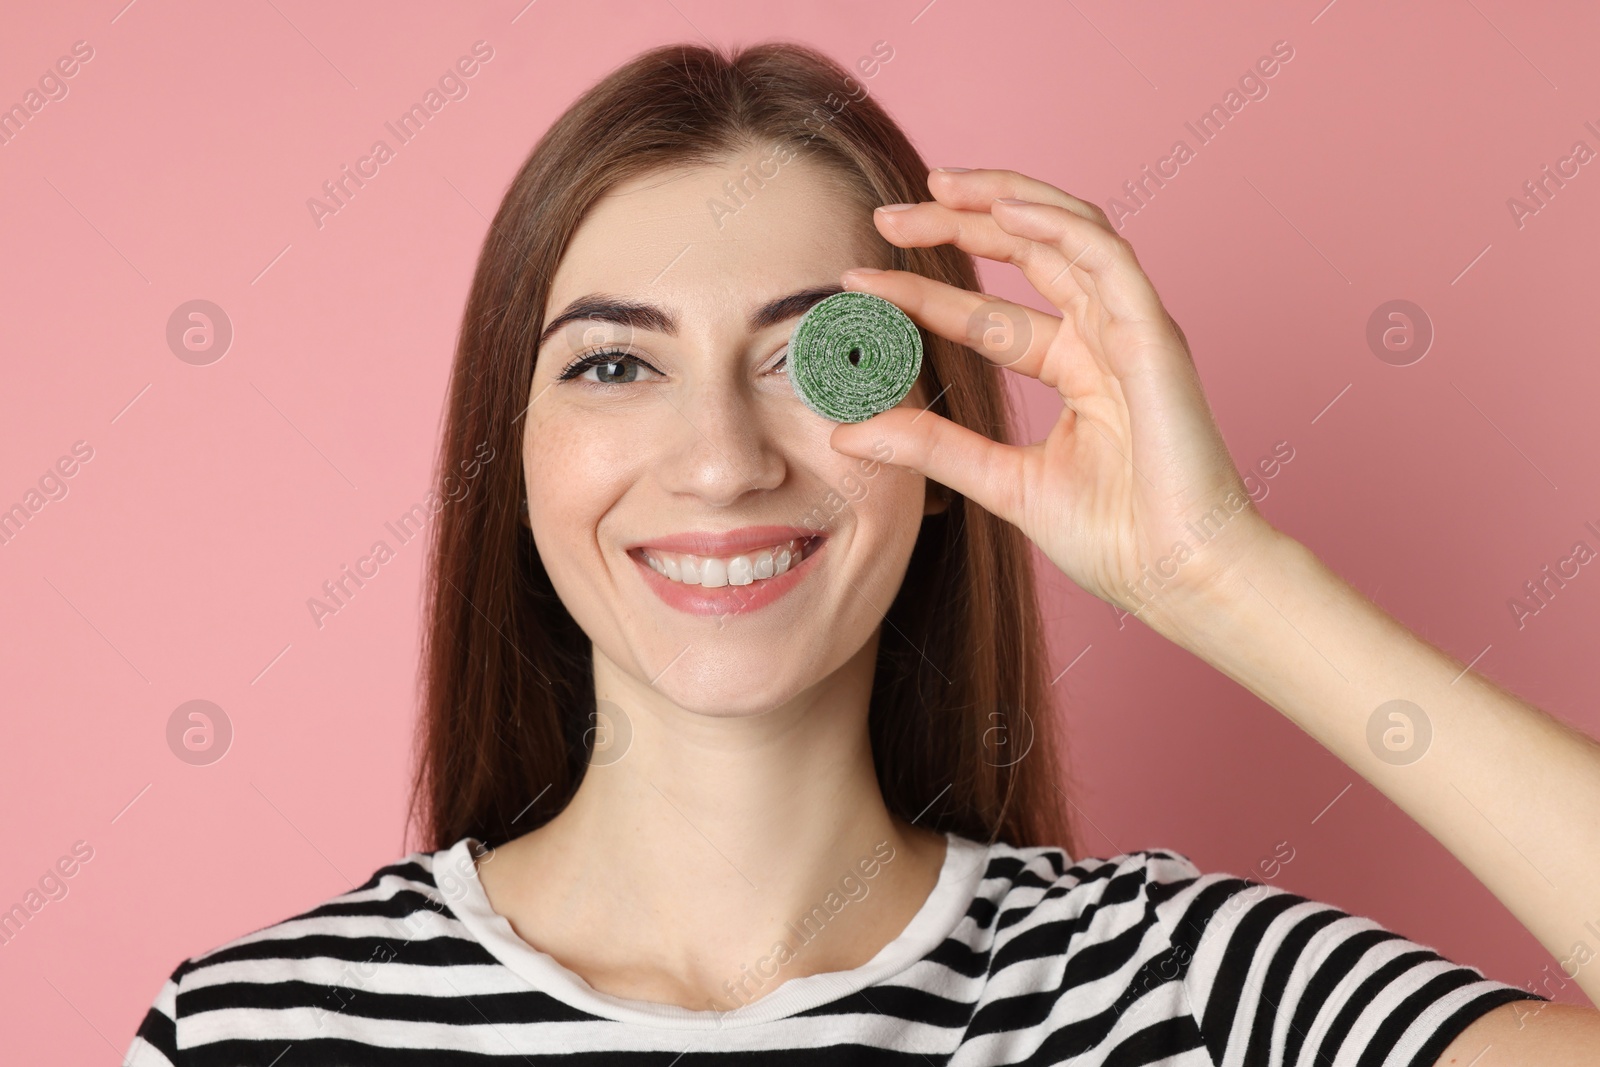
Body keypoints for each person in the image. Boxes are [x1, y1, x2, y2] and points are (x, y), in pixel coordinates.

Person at [123, 40, 1600, 1065]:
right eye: (614, 368)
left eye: (819, 358)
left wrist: (1222, 575)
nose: (721, 458)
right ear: (511, 460)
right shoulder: (249, 1031)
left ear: (948, 441)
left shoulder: (1181, 990)